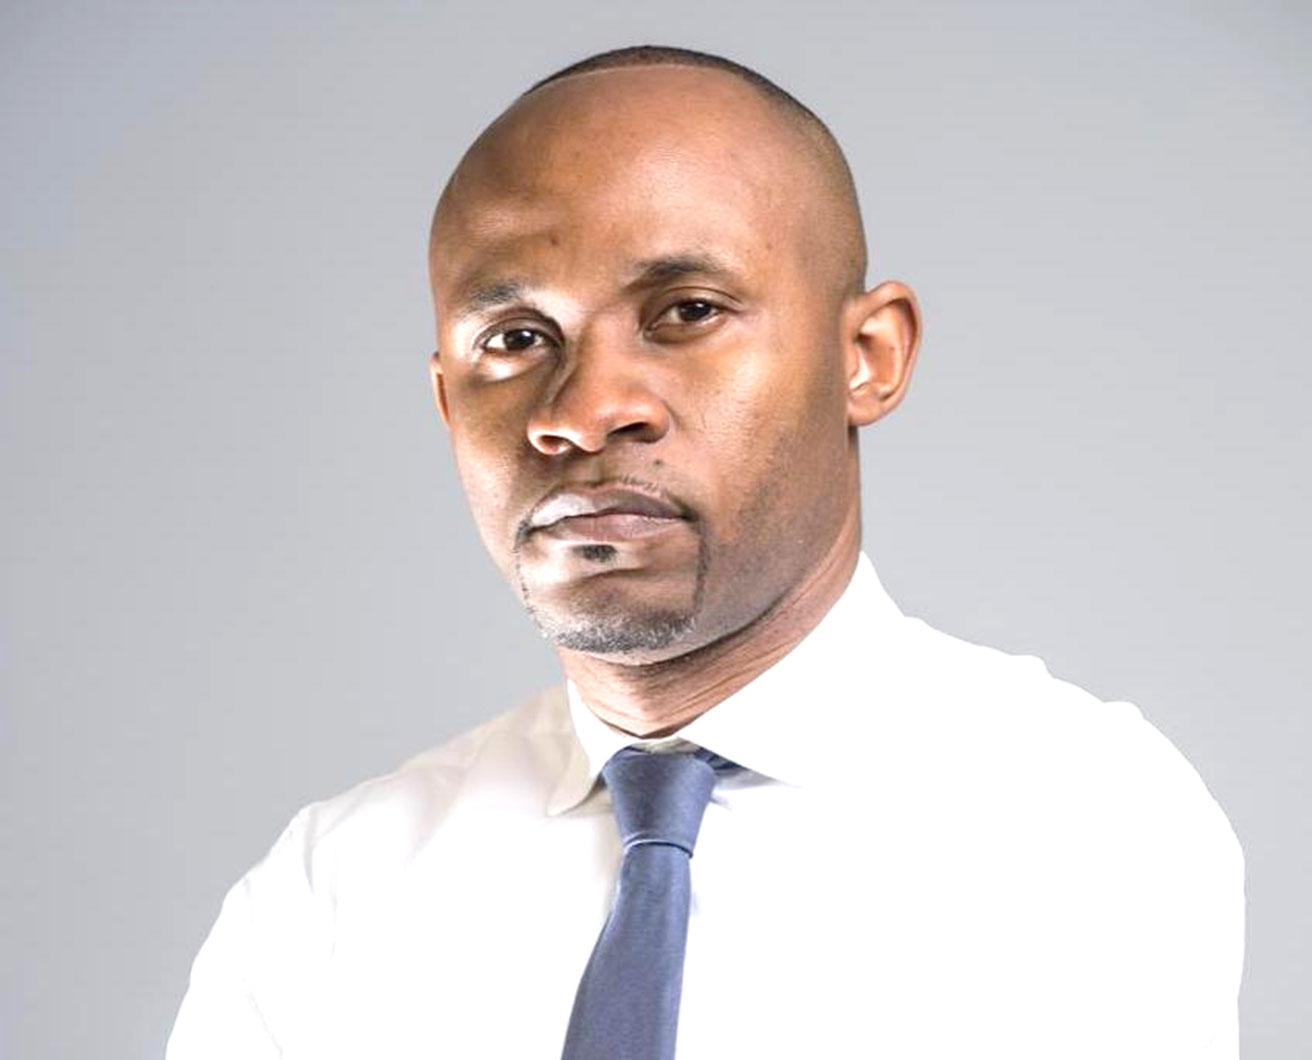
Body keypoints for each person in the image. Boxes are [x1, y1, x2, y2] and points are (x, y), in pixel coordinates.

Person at [168, 46, 1245, 1059]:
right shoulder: (332, 891)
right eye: (516, 339)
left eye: (685, 311)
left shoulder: (1082, 820)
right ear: (448, 403)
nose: (582, 413)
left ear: (867, 357)